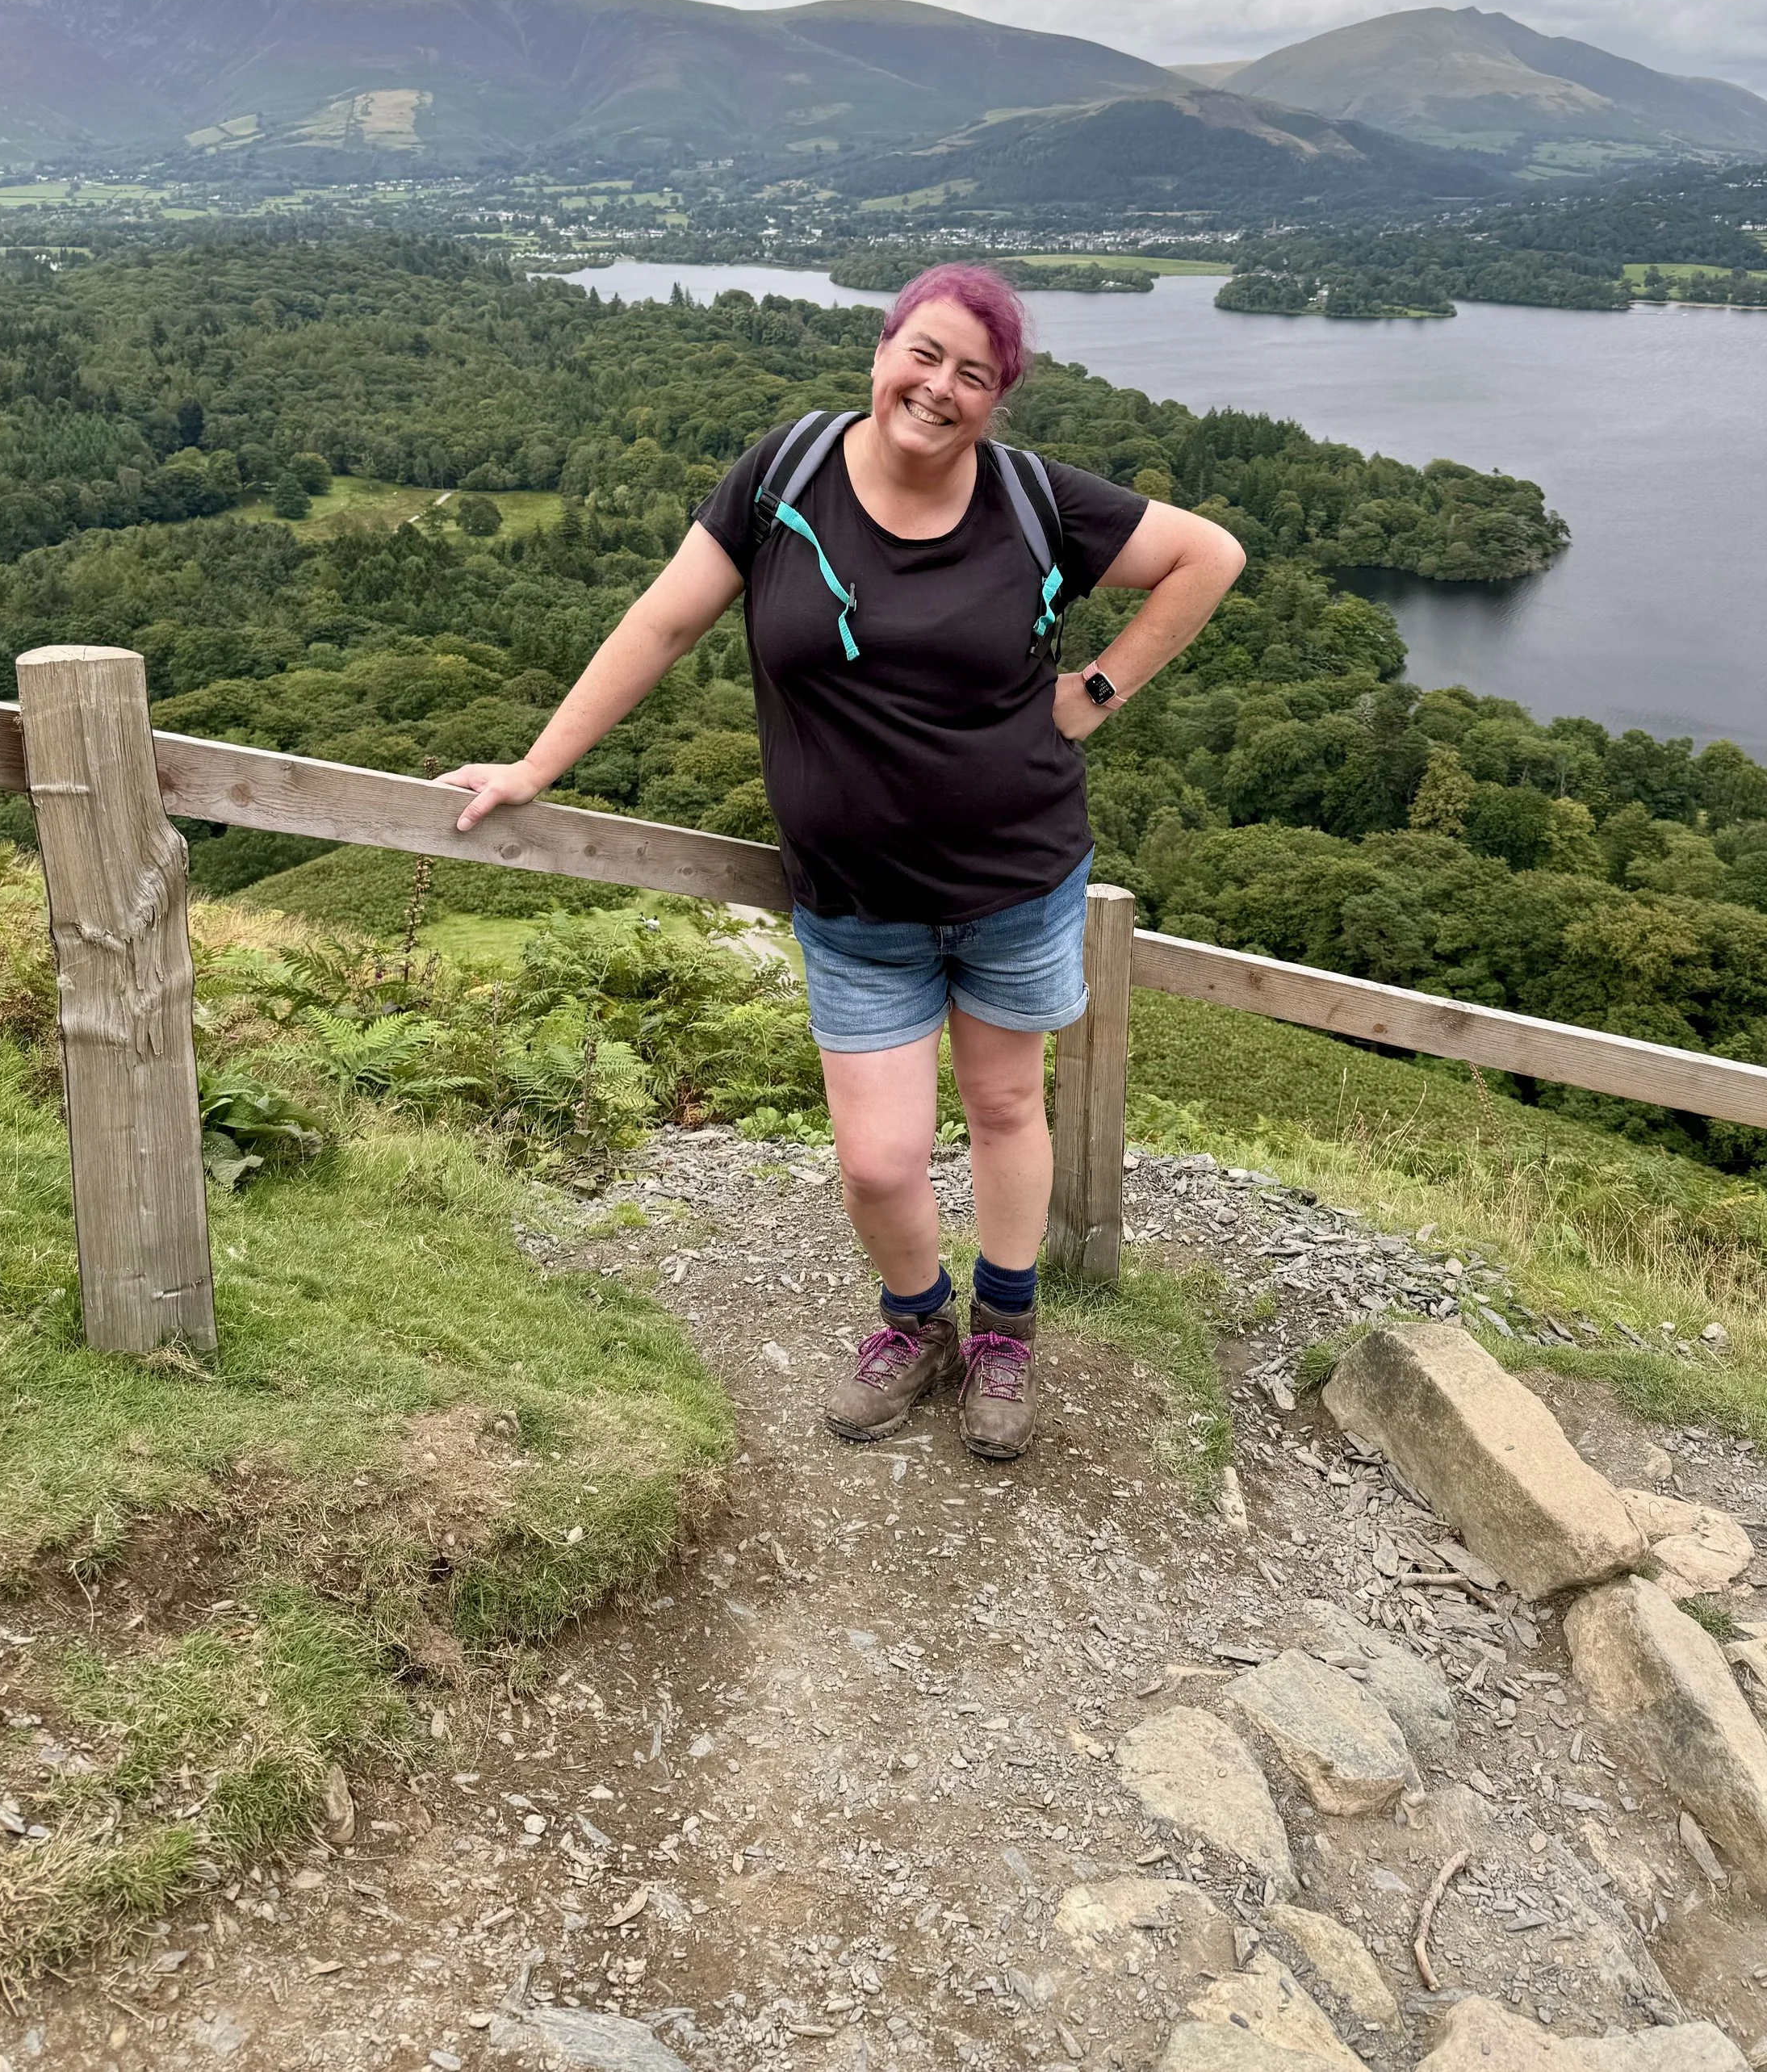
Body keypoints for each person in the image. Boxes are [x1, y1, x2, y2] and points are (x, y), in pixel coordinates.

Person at [441, 264, 1244, 1460]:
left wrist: (1093, 694)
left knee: (1009, 1104)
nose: (940, 387)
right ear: (882, 351)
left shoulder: (1032, 503)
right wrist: (536, 767)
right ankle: (917, 1324)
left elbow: (1207, 558)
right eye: (923, 353)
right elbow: (661, 620)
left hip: (1016, 883)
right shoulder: (786, 476)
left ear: (998, 400)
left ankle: (1006, 1333)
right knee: (877, 1163)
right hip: (859, 904)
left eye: (974, 374)